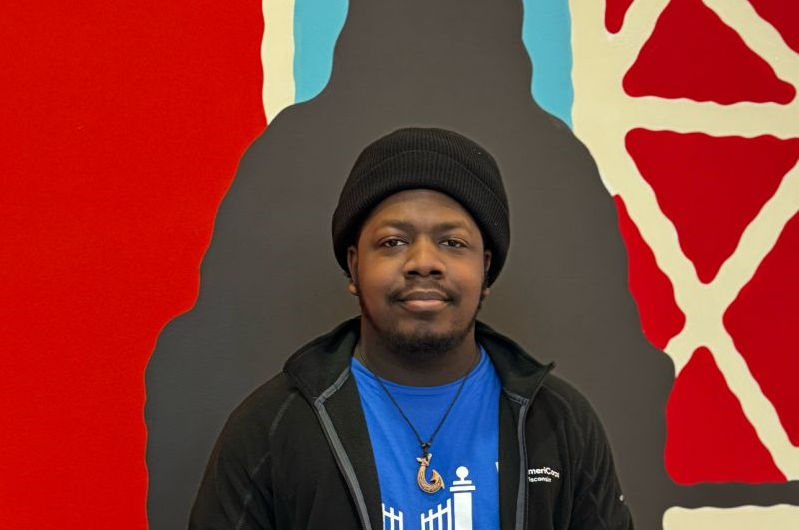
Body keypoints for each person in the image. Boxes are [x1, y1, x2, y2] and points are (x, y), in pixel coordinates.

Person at [189, 127, 633, 529]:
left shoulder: (559, 422)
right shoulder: (273, 426)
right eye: (393, 241)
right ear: (353, 266)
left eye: (452, 243)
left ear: (486, 269)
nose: (424, 262)